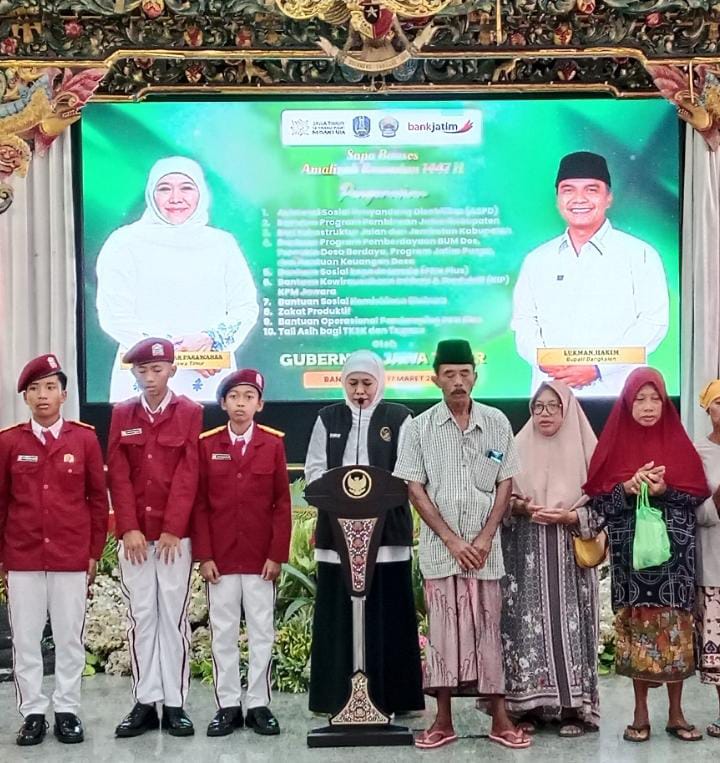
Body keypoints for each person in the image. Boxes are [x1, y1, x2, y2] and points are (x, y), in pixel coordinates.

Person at [393, 338, 531, 751]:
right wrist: (452, 540)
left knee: (489, 632)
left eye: (464, 373)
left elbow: (505, 482)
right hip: (442, 551)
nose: (458, 381)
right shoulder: (418, 427)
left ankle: (500, 719)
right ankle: (443, 720)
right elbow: (415, 488)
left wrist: (485, 537)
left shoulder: (497, 422)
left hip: (486, 551)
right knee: (443, 636)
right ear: (435, 378)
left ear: (475, 376)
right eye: (449, 374)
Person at [584, 367, 708, 743]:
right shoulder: (613, 445)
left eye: (655, 398)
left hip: (674, 561)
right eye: (640, 399)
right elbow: (598, 502)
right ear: (627, 403)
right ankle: (640, 714)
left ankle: (676, 713)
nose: (649, 406)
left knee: (675, 630)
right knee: (637, 631)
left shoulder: (679, 445)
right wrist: (625, 487)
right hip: (632, 561)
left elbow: (696, 496)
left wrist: (665, 489)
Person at [304, 350, 424, 718]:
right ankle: (335, 698)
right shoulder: (328, 418)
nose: (360, 391)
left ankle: (393, 698)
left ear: (379, 382)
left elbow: (408, 473)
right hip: (337, 538)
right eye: (353, 383)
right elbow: (314, 473)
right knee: (338, 616)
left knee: (388, 615)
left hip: (387, 538)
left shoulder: (399, 418)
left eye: (367, 383)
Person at [0, 355, 109, 746]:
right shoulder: (9, 442)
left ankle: (66, 710)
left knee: (69, 639)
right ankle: (32, 712)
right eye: (34, 389)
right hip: (23, 555)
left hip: (70, 556)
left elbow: (97, 500)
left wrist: (93, 552)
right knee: (26, 640)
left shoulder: (83, 440)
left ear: (64, 395)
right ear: (25, 397)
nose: (42, 395)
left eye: (50, 387)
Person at [96, 156, 259, 402]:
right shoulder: (125, 242)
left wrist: (210, 339)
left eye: (186, 188)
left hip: (209, 372)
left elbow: (245, 307)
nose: (175, 198)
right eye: (164, 189)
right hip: (144, 376)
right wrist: (175, 352)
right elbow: (114, 315)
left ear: (201, 192)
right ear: (151, 194)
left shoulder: (222, 244)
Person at [511, 151, 669, 397]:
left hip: (619, 397)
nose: (579, 199)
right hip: (552, 398)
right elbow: (524, 323)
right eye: (568, 190)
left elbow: (653, 324)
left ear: (609, 198)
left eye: (591, 190)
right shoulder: (537, 260)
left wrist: (597, 368)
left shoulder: (640, 255)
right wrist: (546, 362)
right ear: (557, 198)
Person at [107, 337, 203, 738]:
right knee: (141, 616)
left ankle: (175, 702)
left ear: (172, 371)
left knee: (173, 617)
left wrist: (172, 528)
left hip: (172, 538)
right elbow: (117, 473)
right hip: (135, 537)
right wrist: (128, 526)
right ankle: (145, 701)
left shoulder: (190, 412)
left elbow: (188, 473)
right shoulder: (122, 413)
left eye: (157, 370)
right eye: (142, 370)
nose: (149, 377)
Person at [193, 369, 291, 737]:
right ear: (222, 403)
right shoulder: (208, 444)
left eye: (249, 397)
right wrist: (204, 555)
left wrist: (276, 555)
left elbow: (281, 504)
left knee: (262, 631)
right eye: (234, 397)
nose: (241, 404)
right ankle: (228, 705)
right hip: (220, 558)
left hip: (259, 558)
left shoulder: (272, 444)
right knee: (223, 632)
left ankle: (259, 704)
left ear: (259, 405)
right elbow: (200, 505)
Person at [501, 381, 600, 735]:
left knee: (569, 626)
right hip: (524, 554)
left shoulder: (588, 450)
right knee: (525, 626)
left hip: (569, 554)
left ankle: (572, 709)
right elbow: (499, 500)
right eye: (538, 407)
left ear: (566, 410)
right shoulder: (516, 447)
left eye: (552, 406)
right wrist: (520, 507)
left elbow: (604, 503)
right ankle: (527, 708)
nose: (544, 414)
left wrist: (572, 516)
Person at [694, 380, 720, 738]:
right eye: (719, 402)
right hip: (714, 564)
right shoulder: (697, 453)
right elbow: (695, 513)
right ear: (707, 408)